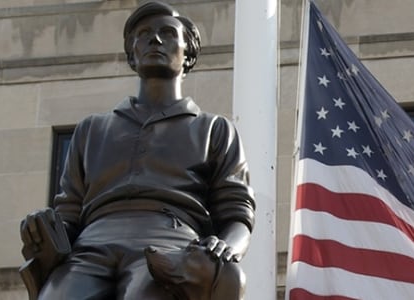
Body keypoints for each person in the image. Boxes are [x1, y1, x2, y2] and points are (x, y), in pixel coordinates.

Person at [19, 1, 254, 299]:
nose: (154, 39)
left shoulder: (215, 128)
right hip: (89, 246)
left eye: (168, 33)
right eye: (144, 34)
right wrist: (42, 231)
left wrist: (227, 247)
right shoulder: (92, 129)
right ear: (132, 53)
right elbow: (69, 214)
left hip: (171, 244)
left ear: (188, 53)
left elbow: (237, 213)